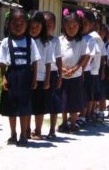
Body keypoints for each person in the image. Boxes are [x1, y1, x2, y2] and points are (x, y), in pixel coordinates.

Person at [0, 9, 41, 147]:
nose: (18, 26)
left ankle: (23, 134)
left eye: (22, 23)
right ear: (9, 25)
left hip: (26, 76)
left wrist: (34, 79)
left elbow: (35, 62)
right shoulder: (5, 42)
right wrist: (3, 78)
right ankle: (13, 134)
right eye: (15, 23)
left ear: (27, 25)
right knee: (12, 108)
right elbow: (2, 62)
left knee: (24, 108)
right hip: (11, 76)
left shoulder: (30, 42)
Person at [58, 8, 90, 133]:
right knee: (64, 100)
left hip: (75, 76)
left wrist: (76, 68)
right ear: (64, 26)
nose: (71, 28)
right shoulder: (60, 40)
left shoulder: (81, 41)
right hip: (62, 76)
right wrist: (62, 69)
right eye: (68, 26)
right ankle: (64, 121)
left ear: (79, 26)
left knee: (75, 102)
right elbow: (57, 57)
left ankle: (73, 123)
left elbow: (85, 56)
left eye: (74, 26)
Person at [28, 11, 52, 140]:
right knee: (27, 106)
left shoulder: (46, 43)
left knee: (39, 107)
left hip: (41, 78)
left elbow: (49, 63)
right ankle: (26, 130)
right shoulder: (25, 41)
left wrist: (48, 79)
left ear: (42, 27)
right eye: (32, 27)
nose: (34, 29)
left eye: (37, 27)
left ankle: (37, 130)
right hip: (27, 78)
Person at [43, 11, 63, 139]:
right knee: (38, 101)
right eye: (45, 23)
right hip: (40, 74)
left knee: (54, 102)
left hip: (54, 73)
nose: (48, 26)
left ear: (54, 26)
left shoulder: (55, 41)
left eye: (50, 23)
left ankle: (52, 130)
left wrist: (61, 75)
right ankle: (36, 128)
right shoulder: (36, 40)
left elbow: (59, 59)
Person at [81, 11, 102, 123]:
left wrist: (81, 68)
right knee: (80, 94)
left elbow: (91, 57)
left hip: (88, 71)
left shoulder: (92, 38)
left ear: (91, 25)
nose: (82, 25)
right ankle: (81, 114)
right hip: (78, 71)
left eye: (85, 23)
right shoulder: (77, 37)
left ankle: (85, 115)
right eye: (81, 22)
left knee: (88, 95)